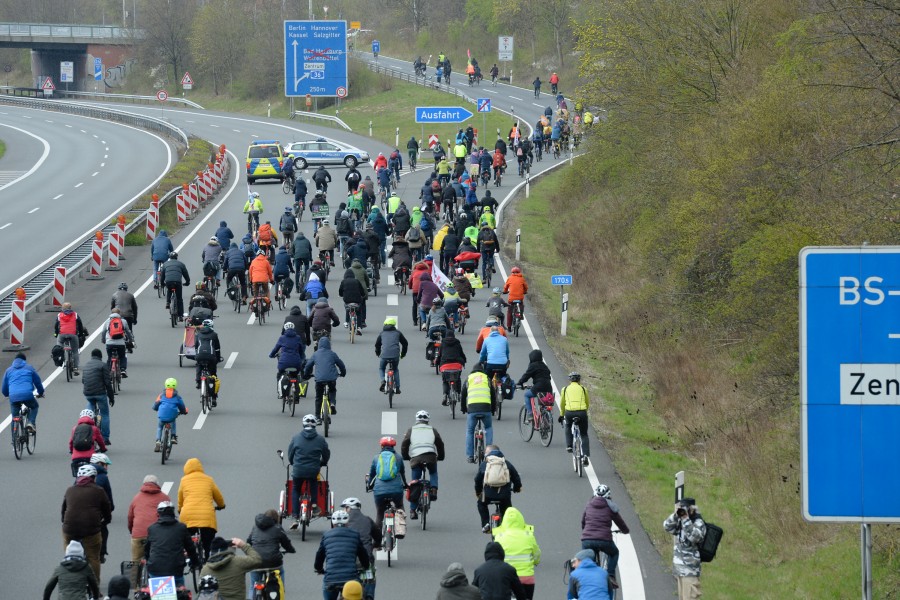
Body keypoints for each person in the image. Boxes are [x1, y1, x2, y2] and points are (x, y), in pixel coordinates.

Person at [61, 464, 111, 581]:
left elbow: (63, 510)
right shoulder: (99, 490)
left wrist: (65, 522)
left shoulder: (70, 490)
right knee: (93, 556)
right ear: (93, 478)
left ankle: (68, 574)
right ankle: (95, 588)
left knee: (67, 551)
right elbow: (106, 508)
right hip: (91, 530)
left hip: (70, 529)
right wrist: (106, 520)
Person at [127, 475, 171, 588]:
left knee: (136, 561)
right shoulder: (164, 497)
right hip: (157, 535)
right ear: (157, 485)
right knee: (159, 559)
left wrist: (132, 530)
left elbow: (130, 517)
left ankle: (135, 589)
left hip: (138, 534)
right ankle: (157, 586)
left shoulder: (136, 497)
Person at [314, 511, 369, 600]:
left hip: (331, 580)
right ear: (347, 522)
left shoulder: (326, 535)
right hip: (350, 578)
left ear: (333, 523)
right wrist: (365, 566)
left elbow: (320, 555)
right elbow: (363, 554)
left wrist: (319, 569)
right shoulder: (355, 534)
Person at [582, 484, 630, 589]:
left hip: (587, 539)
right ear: (608, 496)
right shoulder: (610, 507)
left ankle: (588, 578)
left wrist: (586, 534)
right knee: (614, 553)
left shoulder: (588, 505)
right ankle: (611, 576)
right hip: (604, 540)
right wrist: (625, 531)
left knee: (589, 558)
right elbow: (620, 522)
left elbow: (583, 522)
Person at [287, 414, 331, 528]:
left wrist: (293, 463)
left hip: (298, 470)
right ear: (315, 425)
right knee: (313, 484)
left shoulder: (296, 438)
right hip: (313, 470)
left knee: (296, 489)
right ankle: (315, 505)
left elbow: (290, 455)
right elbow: (326, 454)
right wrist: (323, 462)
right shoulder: (320, 439)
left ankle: (295, 517)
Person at [145, 500, 199, 590]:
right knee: (181, 592)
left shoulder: (152, 529)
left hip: (155, 569)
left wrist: (148, 561)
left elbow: (147, 549)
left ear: (158, 514)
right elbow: (190, 548)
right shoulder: (181, 528)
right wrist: (195, 562)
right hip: (176, 569)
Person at [400, 410, 445, 518]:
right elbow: (440, 444)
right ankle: (433, 490)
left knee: (414, 483)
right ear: (428, 420)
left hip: (416, 458)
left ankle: (412, 510)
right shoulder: (432, 430)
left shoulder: (411, 430)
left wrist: (406, 456)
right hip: (431, 456)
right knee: (433, 472)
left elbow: (404, 445)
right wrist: (441, 457)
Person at [664, 498, 707, 600]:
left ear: (691, 509)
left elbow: (694, 537)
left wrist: (686, 519)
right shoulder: (680, 521)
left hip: (690, 569)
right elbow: (667, 527)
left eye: (684, 508)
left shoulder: (698, 522)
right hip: (679, 569)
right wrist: (675, 515)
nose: (682, 511)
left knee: (690, 597)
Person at [494, 507, 541, 599]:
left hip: (506, 577)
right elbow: (536, 553)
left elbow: (496, 557)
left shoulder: (499, 536)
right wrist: (536, 561)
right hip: (526, 577)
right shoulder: (529, 536)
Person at [475, 444, 522, 533]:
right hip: (504, 496)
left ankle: (486, 524)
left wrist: (478, 492)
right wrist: (517, 488)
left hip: (488, 495)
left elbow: (477, 480)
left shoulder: (484, 464)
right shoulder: (506, 463)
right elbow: (516, 478)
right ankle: (506, 526)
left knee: (481, 504)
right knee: (507, 510)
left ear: (488, 453)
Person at [340, 497, 381, 599]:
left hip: (347, 558)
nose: (343, 510)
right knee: (370, 577)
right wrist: (376, 544)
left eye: (344, 508)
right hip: (366, 557)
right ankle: (369, 596)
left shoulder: (343, 522)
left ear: (349, 508)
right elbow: (378, 536)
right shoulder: (367, 520)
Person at [247, 509, 296, 592]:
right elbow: (286, 543)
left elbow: (248, 542)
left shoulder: (255, 527)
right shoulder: (278, 528)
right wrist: (291, 550)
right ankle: (281, 591)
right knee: (280, 573)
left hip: (256, 561)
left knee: (253, 586)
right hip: (273, 561)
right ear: (277, 518)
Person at [366, 436, 408, 528]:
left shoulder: (376, 458)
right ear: (393, 446)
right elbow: (402, 474)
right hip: (396, 490)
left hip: (379, 491)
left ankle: (377, 540)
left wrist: (369, 485)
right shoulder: (398, 458)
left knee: (380, 512)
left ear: (381, 446)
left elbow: (372, 474)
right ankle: (400, 529)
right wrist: (405, 485)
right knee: (399, 506)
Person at [303, 336, 347, 419]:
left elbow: (308, 365)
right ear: (329, 345)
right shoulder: (332, 354)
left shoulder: (315, 354)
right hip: (331, 378)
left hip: (319, 379)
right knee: (332, 390)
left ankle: (317, 417)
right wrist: (343, 373)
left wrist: (306, 374)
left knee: (319, 397)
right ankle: (332, 403)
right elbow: (341, 364)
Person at [461, 362, 496, 463]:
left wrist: (464, 408)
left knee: (470, 430)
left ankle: (470, 456)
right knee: (488, 428)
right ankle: (490, 454)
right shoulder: (486, 378)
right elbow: (493, 395)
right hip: (486, 408)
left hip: (472, 409)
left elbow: (463, 394)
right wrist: (493, 409)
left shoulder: (469, 378)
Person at [3, 351, 43, 436]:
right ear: (24, 360)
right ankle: (30, 423)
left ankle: (15, 443)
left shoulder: (8, 370)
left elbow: (4, 389)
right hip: (27, 395)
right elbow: (37, 382)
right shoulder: (29, 368)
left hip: (13, 397)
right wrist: (41, 392)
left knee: (14, 418)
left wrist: (7, 394)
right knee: (34, 406)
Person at [269, 321, 307, 397]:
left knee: (280, 374)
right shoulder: (298, 338)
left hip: (284, 363)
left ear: (285, 329)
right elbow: (301, 351)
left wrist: (271, 355)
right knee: (296, 376)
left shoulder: (282, 338)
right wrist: (302, 358)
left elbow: (275, 349)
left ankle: (280, 392)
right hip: (296, 363)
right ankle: (296, 393)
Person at [374, 316, 408, 395]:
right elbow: (405, 344)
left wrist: (378, 353)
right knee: (395, 369)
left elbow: (377, 345)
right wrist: (403, 354)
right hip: (395, 355)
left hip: (384, 355)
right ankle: (398, 387)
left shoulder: (382, 333)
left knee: (381, 368)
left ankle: (383, 380)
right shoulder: (398, 333)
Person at [91, 452, 114, 565]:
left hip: (74, 519)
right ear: (99, 464)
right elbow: (108, 498)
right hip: (95, 515)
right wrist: (109, 513)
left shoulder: (81, 475)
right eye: (105, 464)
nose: (106, 467)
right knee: (103, 531)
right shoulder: (103, 477)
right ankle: (101, 554)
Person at [517, 350, 552, 421]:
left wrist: (519, 383)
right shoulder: (545, 366)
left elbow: (526, 376)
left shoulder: (533, 365)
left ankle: (530, 414)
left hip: (539, 386)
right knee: (545, 404)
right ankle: (547, 421)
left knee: (527, 395)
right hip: (548, 387)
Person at [69, 409, 106, 476]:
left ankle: (76, 485)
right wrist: (103, 449)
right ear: (92, 418)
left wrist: (72, 451)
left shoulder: (74, 428)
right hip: (90, 457)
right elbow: (100, 441)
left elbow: (71, 442)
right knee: (94, 474)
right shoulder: (94, 428)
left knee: (78, 476)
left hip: (76, 458)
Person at [153, 378, 186, 451]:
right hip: (171, 416)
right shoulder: (177, 396)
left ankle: (158, 441)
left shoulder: (161, 395)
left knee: (160, 427)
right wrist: (183, 411)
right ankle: (173, 437)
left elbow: (155, 405)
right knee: (173, 422)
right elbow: (182, 406)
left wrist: (155, 408)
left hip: (162, 415)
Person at [193, 319, 222, 404]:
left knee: (198, 365)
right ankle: (213, 398)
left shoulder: (198, 334)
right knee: (213, 376)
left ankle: (198, 381)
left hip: (199, 356)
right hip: (211, 357)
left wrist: (197, 356)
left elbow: (196, 346)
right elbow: (217, 348)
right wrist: (218, 359)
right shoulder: (214, 335)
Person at [101, 308, 133, 378]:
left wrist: (103, 340)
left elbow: (103, 332)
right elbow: (128, 332)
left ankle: (109, 372)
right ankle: (122, 370)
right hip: (120, 343)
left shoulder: (107, 321)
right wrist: (131, 340)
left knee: (110, 357)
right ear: (119, 314)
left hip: (109, 343)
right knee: (122, 356)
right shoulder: (123, 321)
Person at [439, 329, 466, 404]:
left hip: (445, 365)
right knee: (458, 379)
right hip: (457, 365)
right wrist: (464, 361)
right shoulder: (457, 343)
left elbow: (440, 356)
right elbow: (462, 354)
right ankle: (458, 393)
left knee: (445, 381)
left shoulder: (442, 344)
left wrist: (438, 362)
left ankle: (445, 395)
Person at [163, 251, 191, 318]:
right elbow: (185, 274)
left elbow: (162, 276)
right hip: (177, 282)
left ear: (170, 257)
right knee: (179, 299)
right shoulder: (181, 264)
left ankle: (168, 302)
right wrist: (187, 282)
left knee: (169, 290)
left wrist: (162, 283)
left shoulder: (165, 264)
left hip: (168, 281)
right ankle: (181, 315)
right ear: (176, 257)